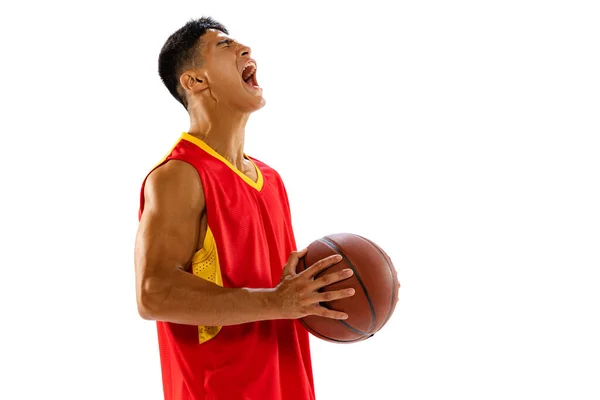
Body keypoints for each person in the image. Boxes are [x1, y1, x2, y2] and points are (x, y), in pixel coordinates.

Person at [134, 17, 357, 400]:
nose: (245, 49)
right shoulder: (179, 176)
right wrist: (276, 301)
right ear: (195, 81)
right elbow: (153, 293)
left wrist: (350, 287)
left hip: (287, 383)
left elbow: (288, 294)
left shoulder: (270, 178)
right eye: (224, 46)